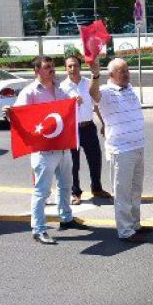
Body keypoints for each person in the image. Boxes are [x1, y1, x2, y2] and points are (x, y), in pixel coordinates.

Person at [9, 56, 89, 244]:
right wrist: (9, 113)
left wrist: (74, 102)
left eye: (52, 66)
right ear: (37, 71)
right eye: (47, 67)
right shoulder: (30, 92)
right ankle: (38, 228)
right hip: (44, 150)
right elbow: (19, 116)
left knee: (65, 185)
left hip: (62, 146)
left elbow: (66, 111)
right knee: (42, 190)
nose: (52, 70)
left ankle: (66, 218)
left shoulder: (60, 89)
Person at [90, 58, 151, 243]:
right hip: (121, 150)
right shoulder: (106, 91)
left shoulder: (130, 88)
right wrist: (95, 75)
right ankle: (125, 230)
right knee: (123, 192)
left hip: (137, 146)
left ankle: (134, 224)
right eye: (121, 71)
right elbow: (93, 94)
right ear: (111, 75)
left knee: (135, 189)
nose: (126, 74)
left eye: (127, 70)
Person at [59, 55, 112, 205]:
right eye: (69, 66)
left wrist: (103, 123)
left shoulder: (89, 83)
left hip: (88, 126)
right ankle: (75, 192)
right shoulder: (62, 88)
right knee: (73, 163)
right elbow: (59, 112)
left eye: (75, 65)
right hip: (71, 129)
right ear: (65, 68)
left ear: (80, 66)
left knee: (95, 159)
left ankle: (97, 188)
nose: (72, 69)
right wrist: (70, 104)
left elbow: (96, 105)